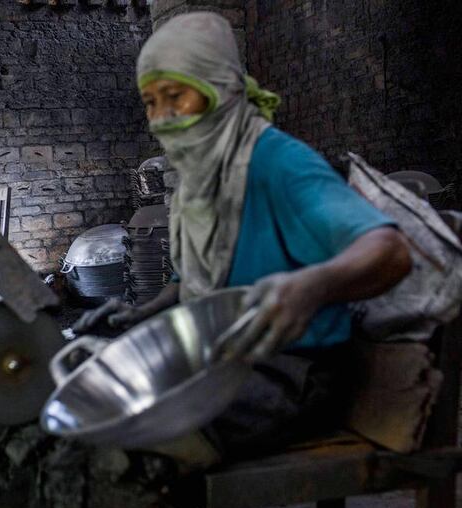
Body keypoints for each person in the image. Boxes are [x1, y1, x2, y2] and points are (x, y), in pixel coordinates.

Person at [73, 12, 412, 467]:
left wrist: (312, 286)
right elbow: (195, 278)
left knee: (124, 444)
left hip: (291, 372)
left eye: (176, 95)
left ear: (221, 90)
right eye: (151, 102)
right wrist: (147, 313)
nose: (160, 117)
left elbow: (389, 252)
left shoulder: (280, 164)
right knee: (91, 383)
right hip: (225, 360)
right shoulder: (200, 180)